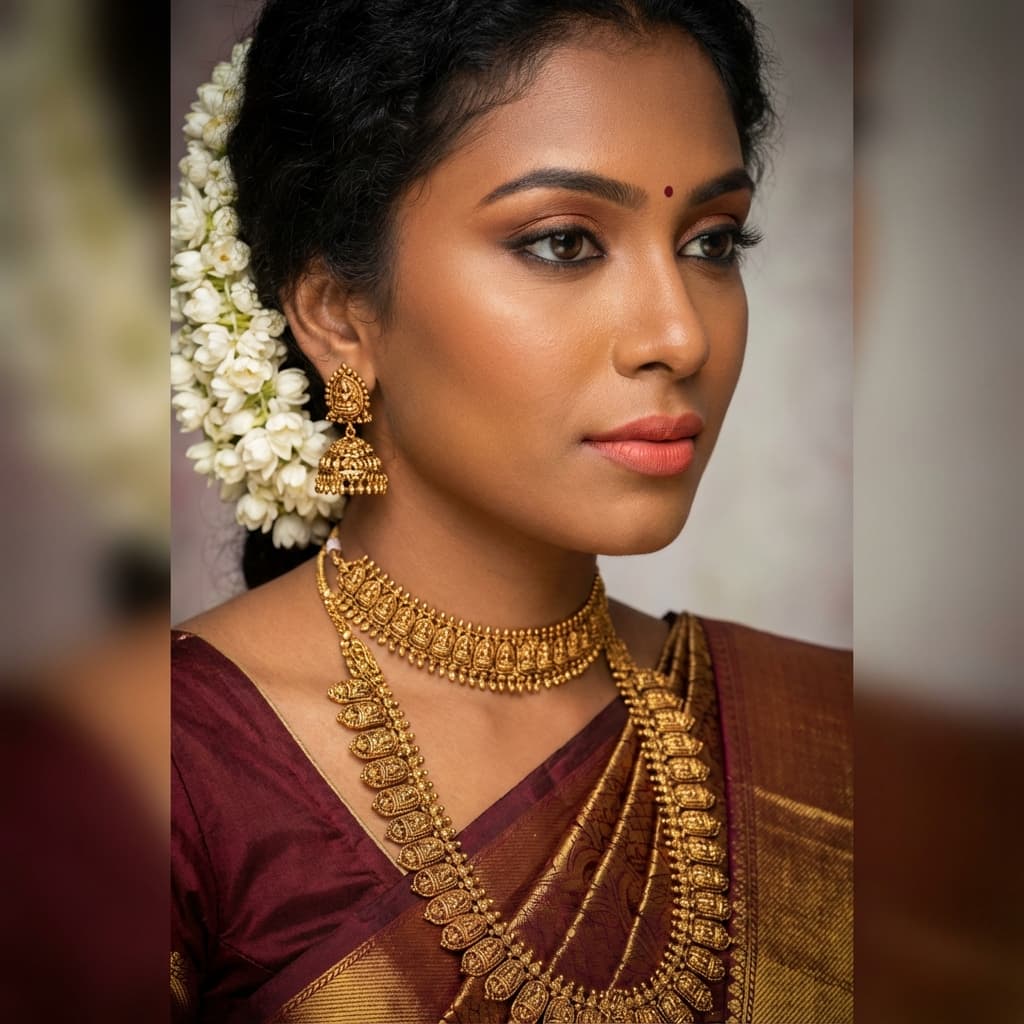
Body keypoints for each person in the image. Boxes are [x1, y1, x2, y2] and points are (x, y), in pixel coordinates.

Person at [170, 1, 852, 1021]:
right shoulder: (165, 769)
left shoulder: (825, 739)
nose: (677, 334)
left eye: (712, 243)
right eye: (566, 242)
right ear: (337, 313)